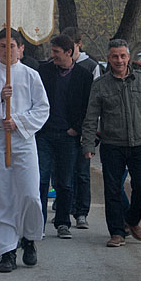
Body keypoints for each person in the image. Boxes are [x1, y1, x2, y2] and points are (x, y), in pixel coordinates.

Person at [0, 28, 49, 273]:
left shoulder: (30, 75)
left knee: (29, 192)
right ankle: (6, 250)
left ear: (21, 48)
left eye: (12, 45)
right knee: (0, 194)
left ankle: (29, 238)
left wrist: (18, 120)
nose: (7, 50)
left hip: (23, 140)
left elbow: (42, 109)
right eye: (2, 45)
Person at [81, 39, 141, 247]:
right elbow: (91, 118)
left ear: (128, 57)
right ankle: (117, 232)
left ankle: (132, 218)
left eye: (122, 56)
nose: (119, 60)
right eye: (114, 56)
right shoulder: (100, 86)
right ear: (108, 59)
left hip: (140, 143)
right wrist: (89, 145)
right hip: (112, 145)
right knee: (112, 189)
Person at [36, 34, 93, 239]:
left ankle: (62, 222)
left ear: (69, 52)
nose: (53, 56)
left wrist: (76, 128)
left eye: (56, 52)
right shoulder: (43, 72)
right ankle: (38, 223)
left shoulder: (84, 77)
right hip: (44, 134)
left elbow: (88, 107)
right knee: (41, 180)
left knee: (65, 181)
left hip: (68, 136)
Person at [61, 27, 100, 229]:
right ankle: (65, 208)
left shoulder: (90, 66)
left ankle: (81, 211)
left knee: (82, 172)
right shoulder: (58, 66)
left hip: (83, 127)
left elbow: (93, 101)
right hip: (63, 127)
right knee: (64, 172)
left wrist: (88, 131)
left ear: (78, 45)